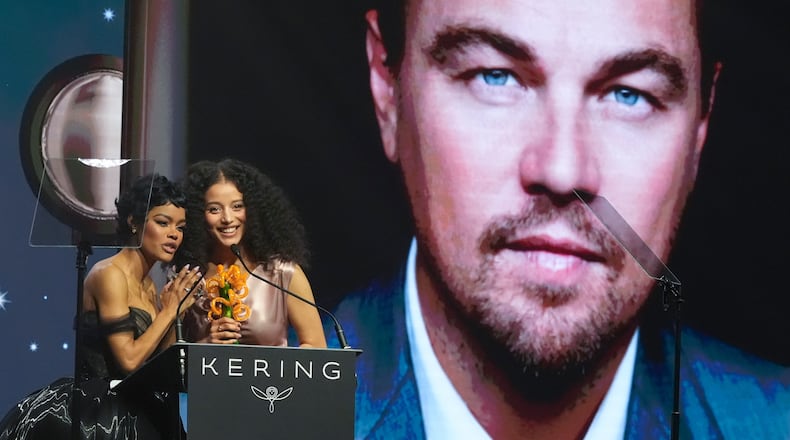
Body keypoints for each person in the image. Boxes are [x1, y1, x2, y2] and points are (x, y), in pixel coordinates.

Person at [327, 0, 790, 438]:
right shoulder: (280, 414)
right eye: (494, 77)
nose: (563, 171)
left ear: (701, 125)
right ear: (387, 89)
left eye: (630, 95)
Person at [0, 174, 202, 440]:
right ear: (133, 222)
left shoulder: (149, 285)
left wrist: (179, 312)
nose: (174, 234)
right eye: (163, 223)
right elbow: (128, 362)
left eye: (181, 227)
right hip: (101, 414)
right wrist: (168, 311)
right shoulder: (109, 274)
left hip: (139, 404)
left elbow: (157, 364)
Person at [175, 158, 326, 348]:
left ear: (253, 209)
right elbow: (171, 355)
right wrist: (206, 344)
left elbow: (316, 346)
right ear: (198, 214)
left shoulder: (283, 273)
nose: (227, 218)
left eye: (237, 206)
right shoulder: (188, 278)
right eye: (214, 209)